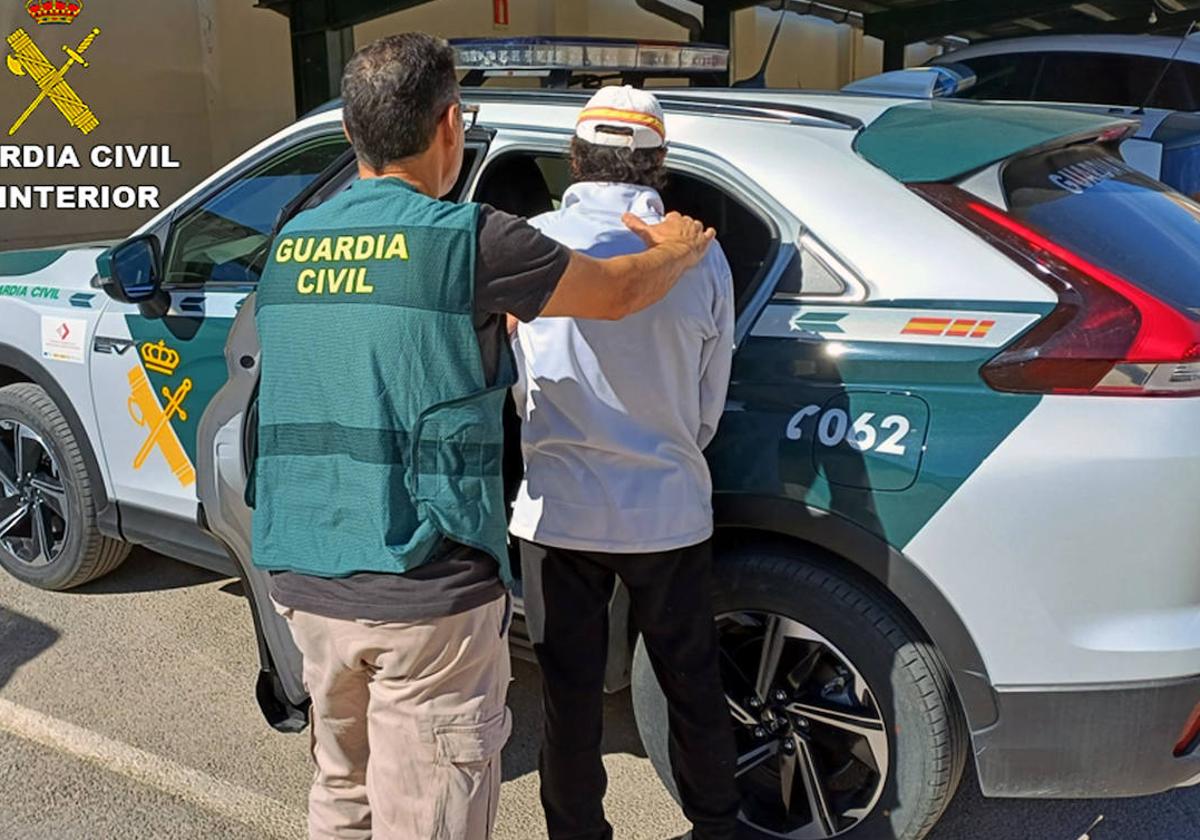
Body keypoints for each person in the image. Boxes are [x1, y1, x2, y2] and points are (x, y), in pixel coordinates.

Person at [251, 36, 715, 840]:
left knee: (343, 794)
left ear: (352, 131)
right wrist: (678, 247)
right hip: (422, 590)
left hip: (304, 580)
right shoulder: (471, 239)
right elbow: (614, 292)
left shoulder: (290, 245)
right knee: (431, 816)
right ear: (449, 125)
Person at [510, 86, 740, 840]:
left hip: (559, 511)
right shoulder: (702, 258)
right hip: (669, 507)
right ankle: (715, 827)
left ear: (574, 157)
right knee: (692, 686)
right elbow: (709, 405)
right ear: (659, 164)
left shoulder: (535, 244)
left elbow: (518, 388)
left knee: (569, 699)